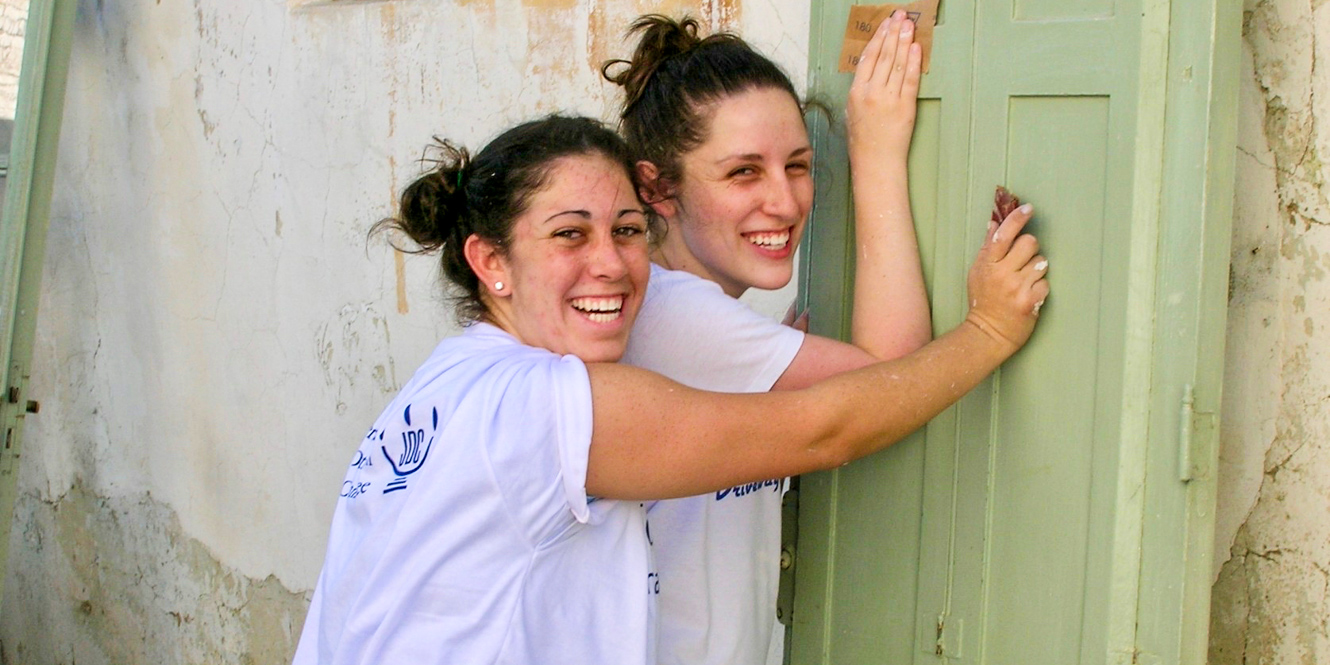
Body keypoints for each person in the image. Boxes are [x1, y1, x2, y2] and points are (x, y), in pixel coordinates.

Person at [292, 114, 1047, 665]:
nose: (612, 264)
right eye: (569, 234)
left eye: (625, 230)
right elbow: (826, 429)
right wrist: (987, 332)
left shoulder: (453, 378)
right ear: (490, 261)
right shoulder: (546, 402)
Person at [601, 12, 946, 664]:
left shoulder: (688, 315)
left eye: (798, 165)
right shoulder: (674, 311)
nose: (786, 203)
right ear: (657, 188)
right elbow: (894, 382)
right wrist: (873, 154)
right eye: (743, 173)